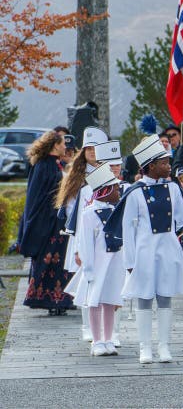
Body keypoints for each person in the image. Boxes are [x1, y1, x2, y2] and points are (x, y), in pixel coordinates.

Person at [106, 134, 183, 364]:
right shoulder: (135, 191)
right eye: (164, 163)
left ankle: (164, 346)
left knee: (165, 296)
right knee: (144, 297)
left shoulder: (173, 188)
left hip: (167, 250)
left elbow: (181, 220)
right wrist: (130, 262)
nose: (169, 166)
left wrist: (172, 246)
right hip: (144, 251)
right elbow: (127, 229)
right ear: (151, 166)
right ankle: (145, 347)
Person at [56, 126, 107, 337]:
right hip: (82, 233)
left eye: (96, 148)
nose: (93, 152)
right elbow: (70, 206)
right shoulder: (76, 176)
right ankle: (87, 325)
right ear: (83, 151)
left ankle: (106, 327)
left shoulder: (108, 172)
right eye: (89, 149)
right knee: (85, 278)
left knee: (105, 279)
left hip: (104, 234)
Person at [70, 164, 124, 357]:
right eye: (116, 188)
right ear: (106, 190)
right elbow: (85, 243)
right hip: (97, 264)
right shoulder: (89, 213)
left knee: (110, 300)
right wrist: (89, 268)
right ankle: (97, 340)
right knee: (94, 301)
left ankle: (108, 338)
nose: (119, 191)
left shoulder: (117, 211)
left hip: (115, 262)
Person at [19, 130, 73, 315]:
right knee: (49, 261)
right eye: (63, 143)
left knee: (60, 262)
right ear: (55, 145)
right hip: (48, 223)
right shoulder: (43, 166)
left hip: (58, 222)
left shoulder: (56, 165)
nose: (65, 146)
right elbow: (36, 197)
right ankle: (50, 300)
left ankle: (60, 300)